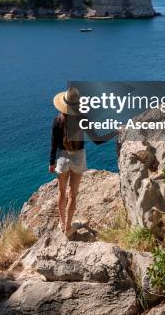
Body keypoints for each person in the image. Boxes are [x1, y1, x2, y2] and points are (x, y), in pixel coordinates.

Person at [49, 86, 118, 238]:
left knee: (61, 192)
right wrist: (115, 132)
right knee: (73, 195)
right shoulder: (82, 119)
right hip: (78, 157)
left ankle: (62, 223)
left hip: (61, 158)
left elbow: (53, 143)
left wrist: (51, 162)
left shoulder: (57, 120)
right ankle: (68, 227)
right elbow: (98, 140)